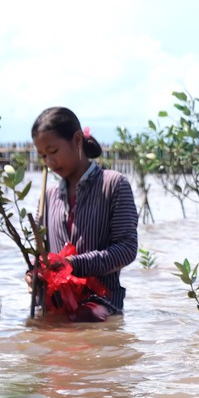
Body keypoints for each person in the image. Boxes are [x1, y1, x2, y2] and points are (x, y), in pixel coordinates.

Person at [30, 107, 138, 322]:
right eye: (43, 155)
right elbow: (40, 253)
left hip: (101, 306)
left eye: (53, 151)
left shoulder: (114, 184)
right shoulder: (47, 197)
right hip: (55, 305)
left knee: (87, 327)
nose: (49, 162)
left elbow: (127, 249)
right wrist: (33, 273)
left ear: (77, 139)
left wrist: (74, 263)